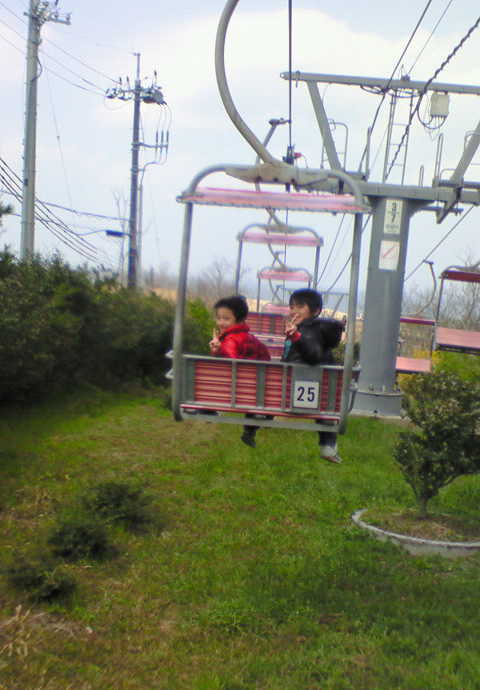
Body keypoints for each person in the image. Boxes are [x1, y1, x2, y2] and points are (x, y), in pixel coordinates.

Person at [282, 288, 344, 464]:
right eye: (292, 307)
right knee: (327, 408)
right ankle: (328, 445)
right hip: (316, 392)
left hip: (302, 385)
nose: (294, 311)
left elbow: (313, 356)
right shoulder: (307, 329)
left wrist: (296, 337)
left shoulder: (309, 331)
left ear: (315, 311)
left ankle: (252, 426)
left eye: (300, 307)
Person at [209, 295, 271, 448]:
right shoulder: (249, 337)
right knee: (257, 394)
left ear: (239, 320)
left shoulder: (230, 340)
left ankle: (211, 409)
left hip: (237, 389)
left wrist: (218, 351)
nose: (221, 322)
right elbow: (266, 356)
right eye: (219, 318)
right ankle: (250, 430)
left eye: (226, 319)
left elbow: (232, 363)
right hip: (255, 390)